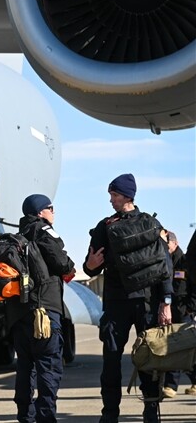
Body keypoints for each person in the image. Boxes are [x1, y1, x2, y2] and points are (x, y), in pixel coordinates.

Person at [83, 173, 173, 423]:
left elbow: (164, 265)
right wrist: (165, 302)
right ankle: (134, 413)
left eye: (114, 195)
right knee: (132, 358)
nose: (111, 200)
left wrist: (166, 303)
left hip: (129, 303)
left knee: (126, 360)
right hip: (136, 301)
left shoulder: (115, 225)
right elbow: (164, 266)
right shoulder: (143, 224)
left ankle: (125, 413)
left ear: (126, 196)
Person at [8, 194, 75, 423]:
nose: (53, 212)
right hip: (44, 313)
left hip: (19, 315)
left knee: (25, 368)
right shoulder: (44, 231)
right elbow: (62, 263)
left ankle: (25, 417)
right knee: (48, 367)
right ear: (39, 213)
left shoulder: (16, 238)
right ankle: (46, 418)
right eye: (50, 208)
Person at [161, 230, 196, 398]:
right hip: (169, 311)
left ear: (174, 243)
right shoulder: (163, 262)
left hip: (184, 311)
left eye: (167, 245)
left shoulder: (185, 261)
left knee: (181, 349)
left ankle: (170, 385)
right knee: (177, 349)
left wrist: (191, 307)